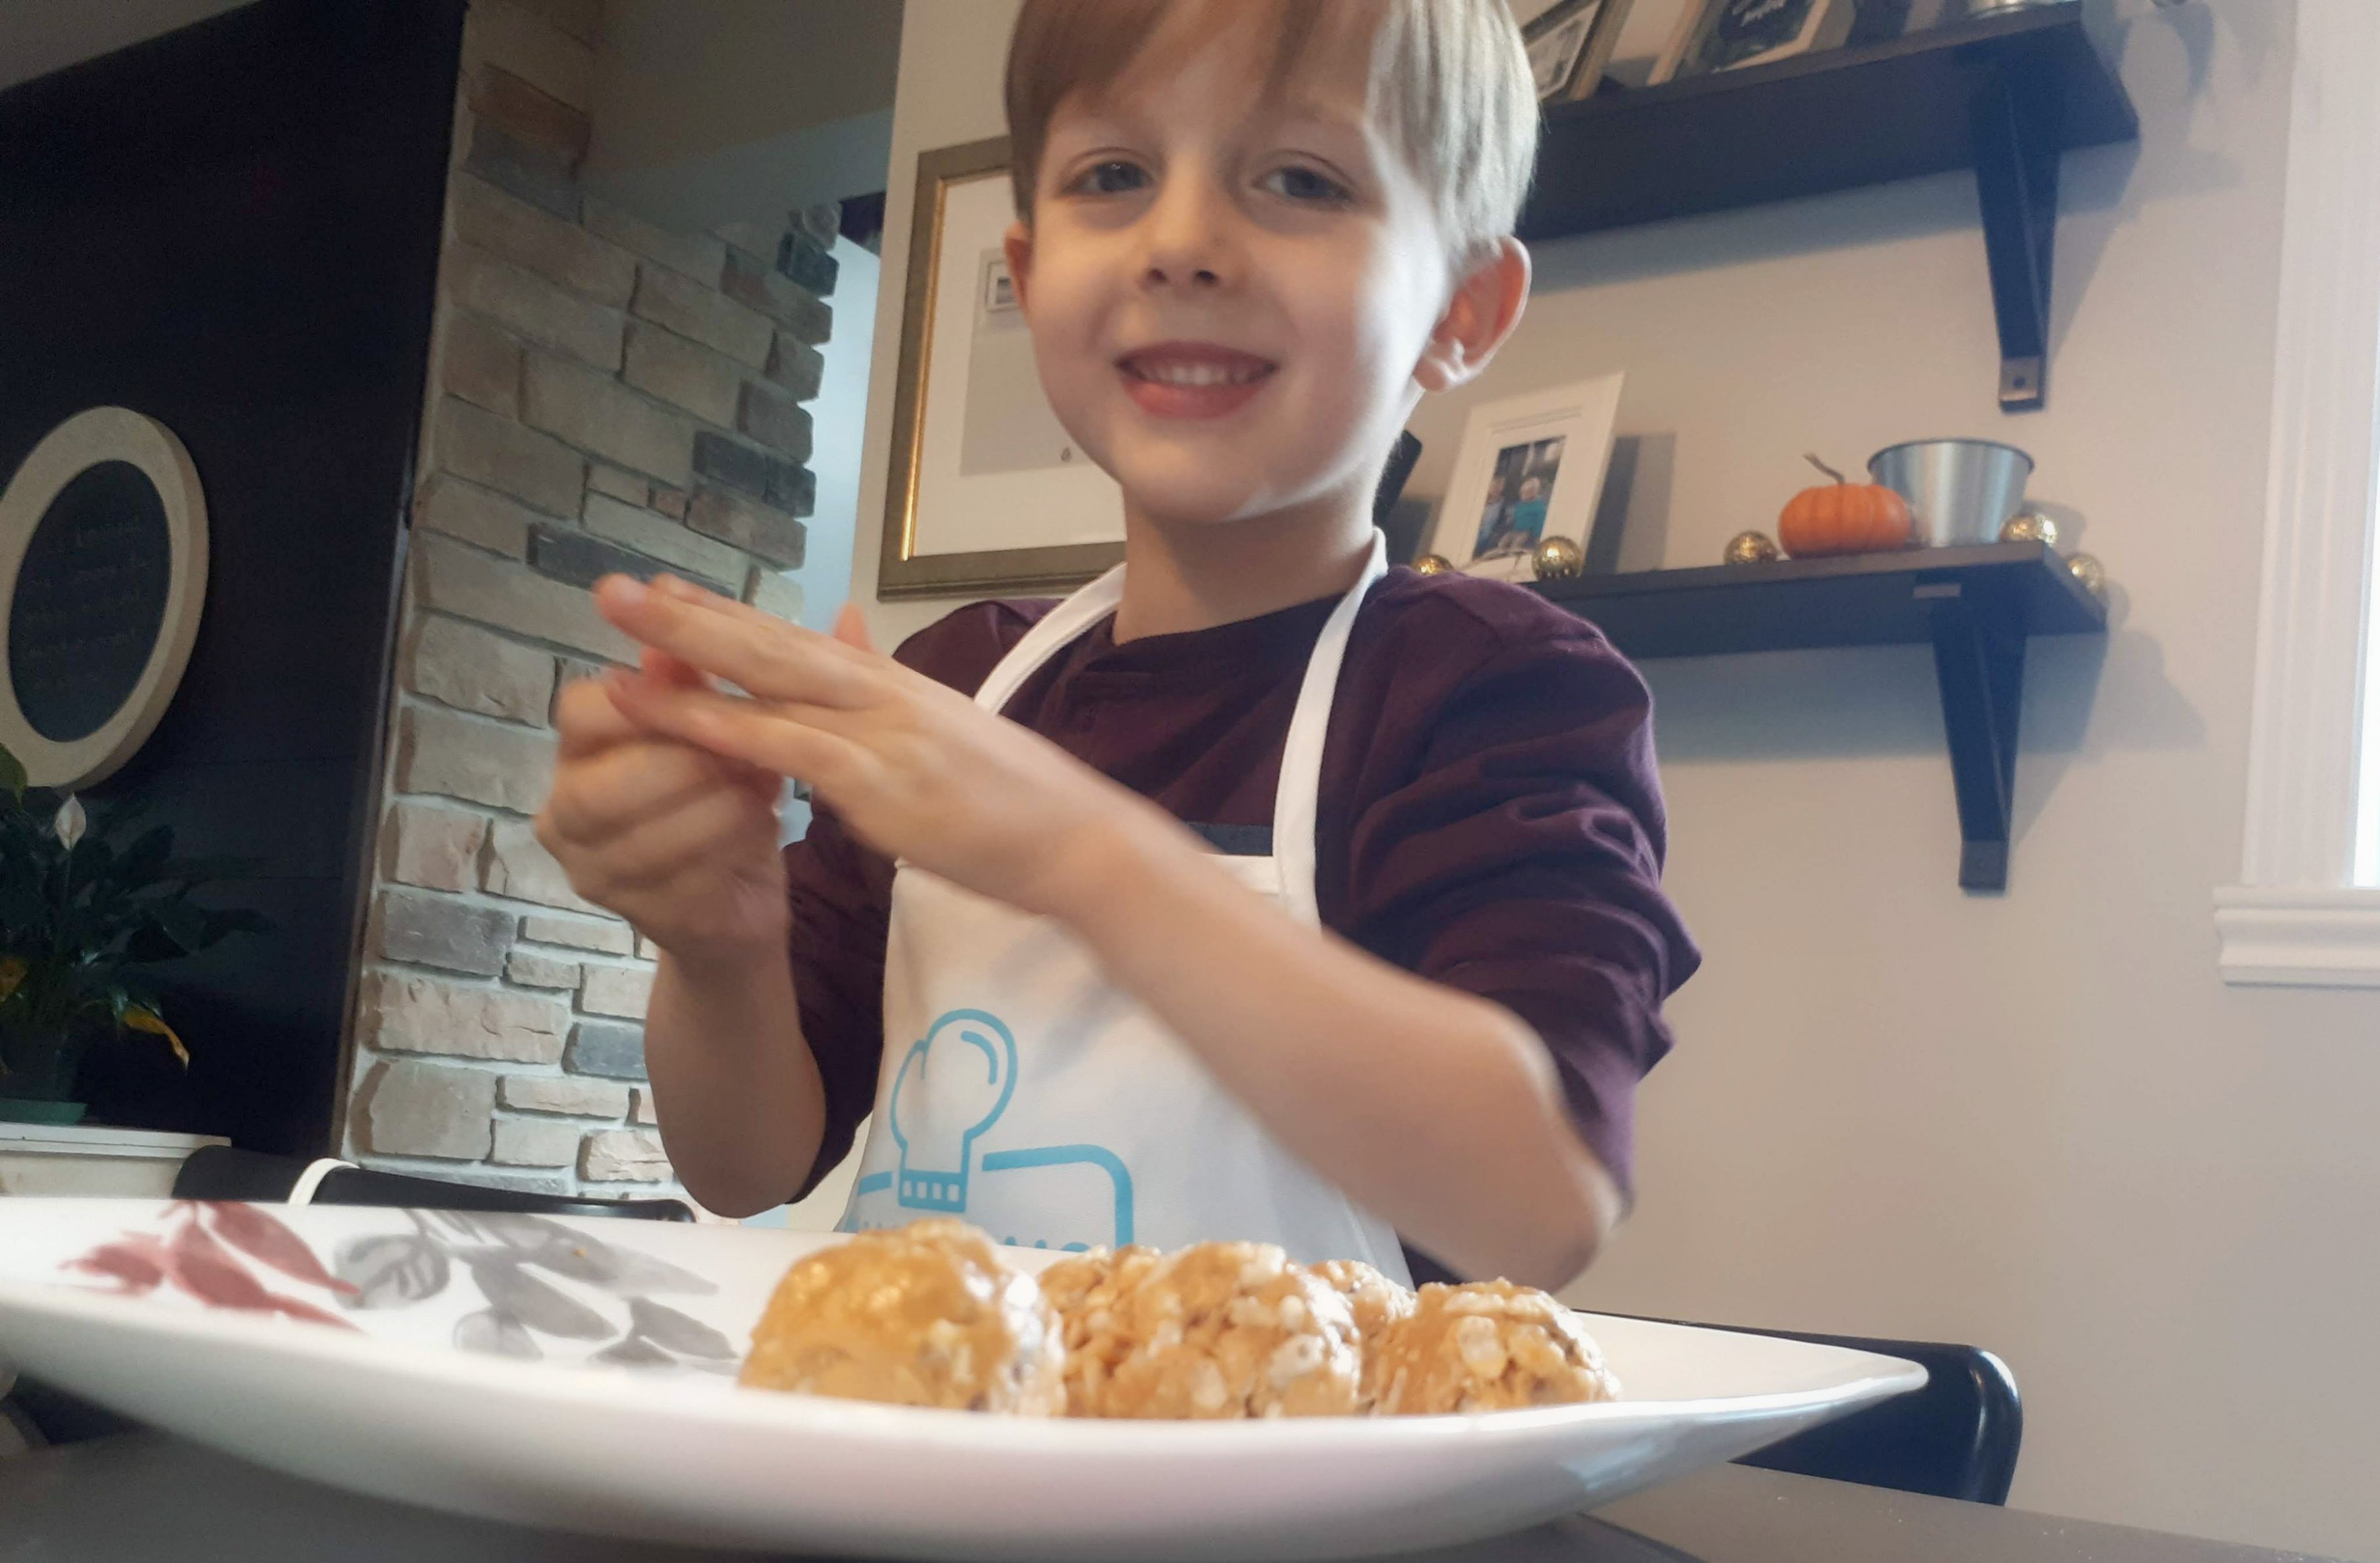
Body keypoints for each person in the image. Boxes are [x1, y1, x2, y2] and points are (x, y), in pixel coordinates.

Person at [534, 0, 1699, 1289]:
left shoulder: (1499, 693)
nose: (1182, 243)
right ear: (1033, 276)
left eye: (1302, 181)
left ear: (1462, 311)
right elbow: (744, 1165)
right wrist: (719, 951)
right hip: (917, 1415)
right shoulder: (961, 682)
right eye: (1114, 176)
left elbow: (1539, 1205)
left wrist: (1075, 850)